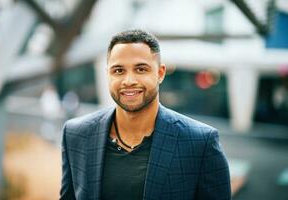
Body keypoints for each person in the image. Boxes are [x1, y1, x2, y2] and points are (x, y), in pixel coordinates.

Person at [60, 29, 231, 200]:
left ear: (160, 73)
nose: (129, 81)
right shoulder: (75, 134)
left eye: (140, 69)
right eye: (118, 70)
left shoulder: (200, 142)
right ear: (108, 74)